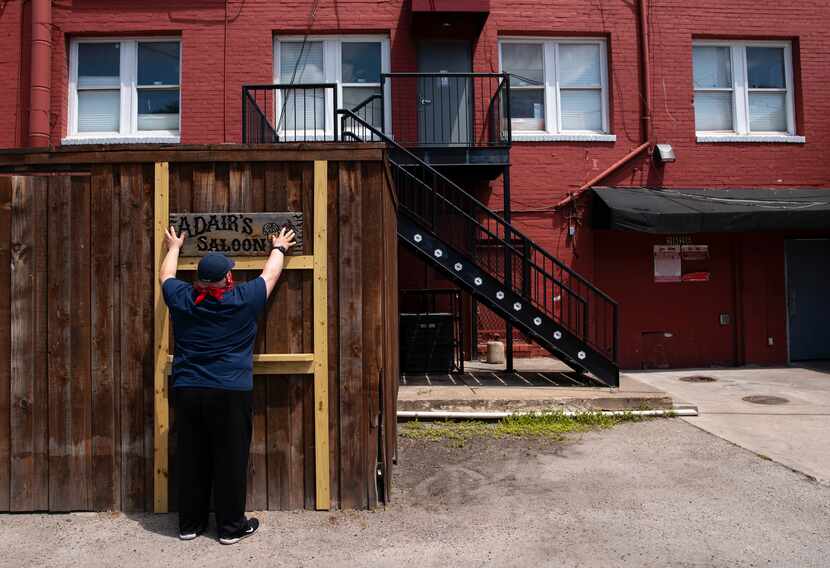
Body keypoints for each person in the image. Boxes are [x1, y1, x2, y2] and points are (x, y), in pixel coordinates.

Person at [159, 225, 296, 545]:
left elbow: (165, 276)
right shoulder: (243, 299)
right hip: (230, 391)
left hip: (189, 389)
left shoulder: (182, 298)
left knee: (192, 456)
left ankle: (190, 525)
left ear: (199, 280)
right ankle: (230, 528)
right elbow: (270, 276)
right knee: (230, 458)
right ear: (227, 279)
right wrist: (279, 247)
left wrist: (175, 247)